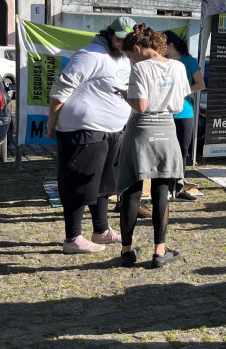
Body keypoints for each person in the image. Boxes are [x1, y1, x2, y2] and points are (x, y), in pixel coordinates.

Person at [47, 16, 135, 254]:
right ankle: (72, 238)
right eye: (119, 38)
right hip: (83, 129)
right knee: (79, 183)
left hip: (112, 130)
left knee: (105, 184)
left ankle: (101, 230)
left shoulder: (124, 56)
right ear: (109, 33)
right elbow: (62, 87)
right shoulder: (91, 54)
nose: (122, 43)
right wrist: (51, 122)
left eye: (127, 40)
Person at [116, 24, 190, 269]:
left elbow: (142, 106)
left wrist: (124, 95)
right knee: (162, 189)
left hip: (141, 130)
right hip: (167, 130)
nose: (130, 60)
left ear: (137, 48)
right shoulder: (178, 67)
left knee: (131, 187)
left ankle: (127, 251)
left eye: (129, 56)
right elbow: (179, 105)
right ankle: (159, 251)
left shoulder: (139, 68)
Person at [163, 30, 205, 202]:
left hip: (183, 113)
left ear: (170, 45)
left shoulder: (188, 61)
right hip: (164, 114)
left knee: (181, 153)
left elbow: (201, 84)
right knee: (164, 153)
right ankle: (163, 189)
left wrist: (180, 92)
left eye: (162, 45)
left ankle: (178, 188)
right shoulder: (161, 62)